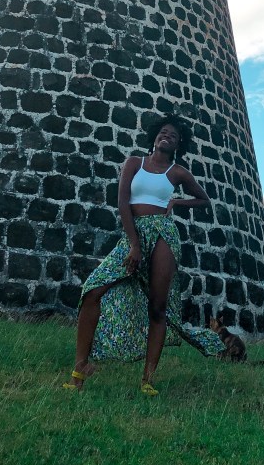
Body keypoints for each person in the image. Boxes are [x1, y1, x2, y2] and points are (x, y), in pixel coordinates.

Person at [63, 113, 225, 395]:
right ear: (155, 136)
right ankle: (80, 369)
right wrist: (134, 245)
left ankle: (147, 380)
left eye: (173, 136)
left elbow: (203, 200)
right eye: (164, 132)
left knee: (158, 307)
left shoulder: (177, 172)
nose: (167, 137)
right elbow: (123, 201)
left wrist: (176, 202)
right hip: (134, 232)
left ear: (178, 144)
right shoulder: (134, 163)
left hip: (163, 233)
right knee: (92, 291)